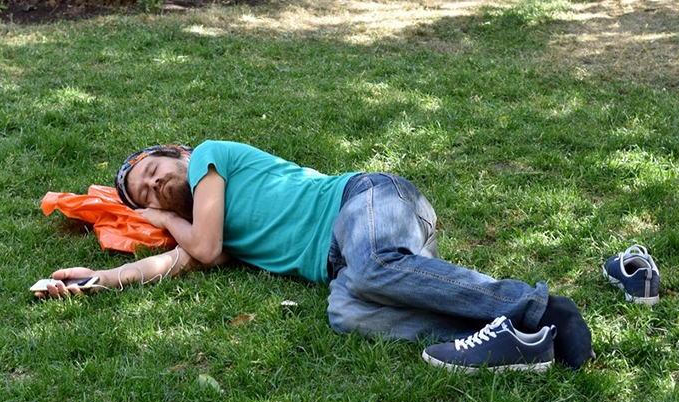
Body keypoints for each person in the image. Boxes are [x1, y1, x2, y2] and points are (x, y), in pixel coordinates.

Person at [37, 140, 594, 370]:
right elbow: (180, 259)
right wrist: (101, 278)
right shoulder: (206, 230)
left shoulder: (209, 157)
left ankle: (539, 307)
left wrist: (160, 220)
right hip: (352, 259)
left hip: (369, 201)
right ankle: (509, 334)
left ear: (179, 154)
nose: (157, 186)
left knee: (373, 267)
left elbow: (200, 247)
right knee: (346, 312)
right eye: (148, 194)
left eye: (156, 172)